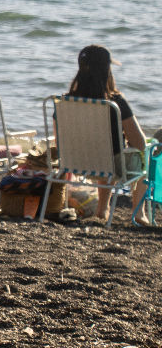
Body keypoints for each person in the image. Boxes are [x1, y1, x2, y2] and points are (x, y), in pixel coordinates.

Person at [65, 44, 147, 220]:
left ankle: (102, 210)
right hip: (108, 166)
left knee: (104, 154)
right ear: (107, 69)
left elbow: (60, 140)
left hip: (75, 162)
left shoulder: (66, 101)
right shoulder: (115, 102)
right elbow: (139, 143)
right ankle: (139, 212)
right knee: (146, 155)